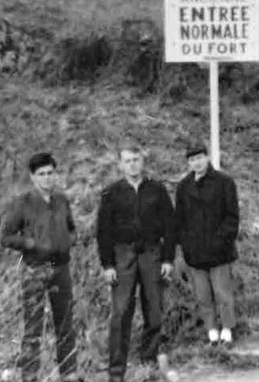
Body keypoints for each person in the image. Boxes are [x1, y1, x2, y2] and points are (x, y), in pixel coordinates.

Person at [0, 152, 83, 382]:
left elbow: (72, 228)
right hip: (34, 269)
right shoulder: (23, 203)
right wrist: (29, 243)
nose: (47, 178)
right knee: (33, 326)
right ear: (33, 177)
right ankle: (30, 375)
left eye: (50, 173)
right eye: (42, 174)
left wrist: (69, 240)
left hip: (61, 269)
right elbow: (6, 237)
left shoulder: (61, 200)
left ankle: (69, 373)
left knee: (65, 323)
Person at [96, 144, 175, 382]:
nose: (133, 164)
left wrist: (168, 259)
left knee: (154, 310)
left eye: (136, 159)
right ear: (121, 165)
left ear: (143, 161)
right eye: (128, 160)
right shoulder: (112, 193)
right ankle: (116, 370)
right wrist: (108, 264)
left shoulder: (157, 190)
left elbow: (170, 226)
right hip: (123, 256)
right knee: (121, 312)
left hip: (151, 254)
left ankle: (148, 362)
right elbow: (103, 231)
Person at [174, 144, 239, 346]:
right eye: (192, 160)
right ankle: (211, 330)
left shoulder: (224, 182)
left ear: (207, 158)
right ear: (188, 163)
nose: (197, 163)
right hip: (195, 253)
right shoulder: (183, 187)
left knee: (222, 292)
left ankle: (227, 329)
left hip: (220, 251)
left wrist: (220, 241)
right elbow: (180, 220)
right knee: (203, 295)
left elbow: (232, 217)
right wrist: (186, 245)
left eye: (200, 158)